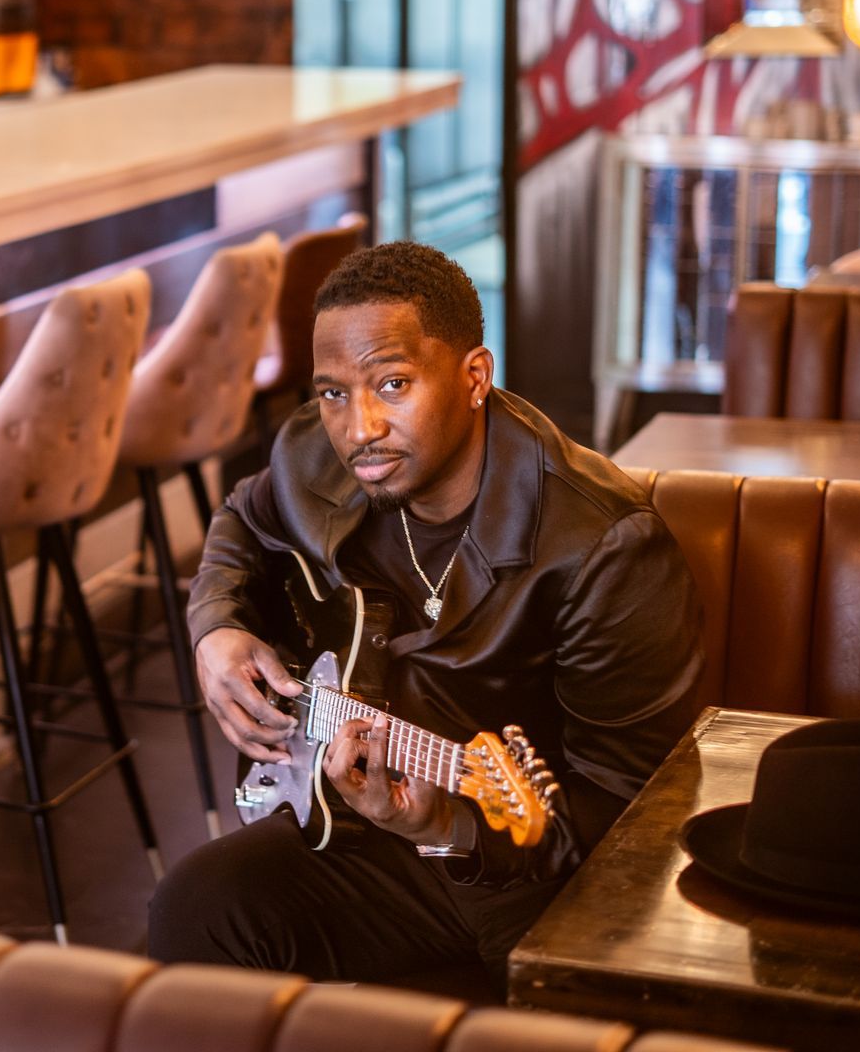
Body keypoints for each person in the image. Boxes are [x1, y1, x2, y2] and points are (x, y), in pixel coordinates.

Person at [148, 241, 703, 991]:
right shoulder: (316, 455)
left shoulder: (604, 547)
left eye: (393, 384)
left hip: (528, 870)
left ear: (475, 376)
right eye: (335, 393)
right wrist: (216, 627)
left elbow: (630, 813)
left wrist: (447, 827)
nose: (359, 427)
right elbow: (243, 523)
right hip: (366, 822)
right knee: (194, 908)